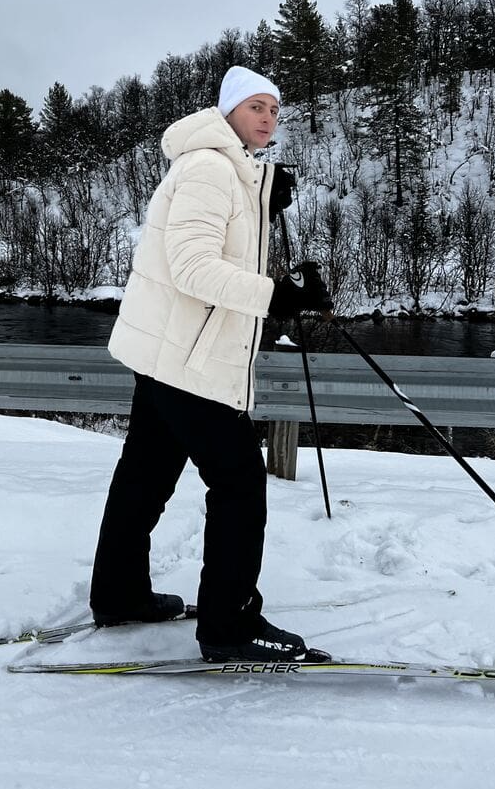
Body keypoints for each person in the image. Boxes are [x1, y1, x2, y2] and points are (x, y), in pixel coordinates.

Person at [90, 65, 333, 662]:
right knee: (240, 483)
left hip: (169, 352)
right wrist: (280, 295)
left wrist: (263, 191)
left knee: (144, 475)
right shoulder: (207, 168)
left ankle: (119, 594)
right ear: (226, 112)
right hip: (189, 357)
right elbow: (193, 268)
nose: (268, 119)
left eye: (275, 110)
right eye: (256, 107)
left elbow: (221, 246)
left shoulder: (230, 170)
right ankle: (229, 627)